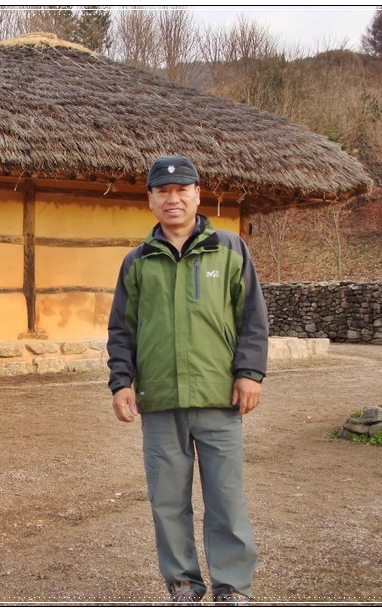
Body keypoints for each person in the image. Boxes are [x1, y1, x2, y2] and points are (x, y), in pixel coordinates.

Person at [107, 155, 269, 606]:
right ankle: (182, 583)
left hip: (219, 397)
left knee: (226, 498)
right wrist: (121, 382)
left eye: (182, 190)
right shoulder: (137, 261)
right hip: (159, 400)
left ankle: (232, 585)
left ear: (198, 194)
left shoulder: (230, 249)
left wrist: (250, 373)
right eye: (163, 191)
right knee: (167, 501)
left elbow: (252, 318)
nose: (173, 199)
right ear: (151, 200)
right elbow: (122, 329)